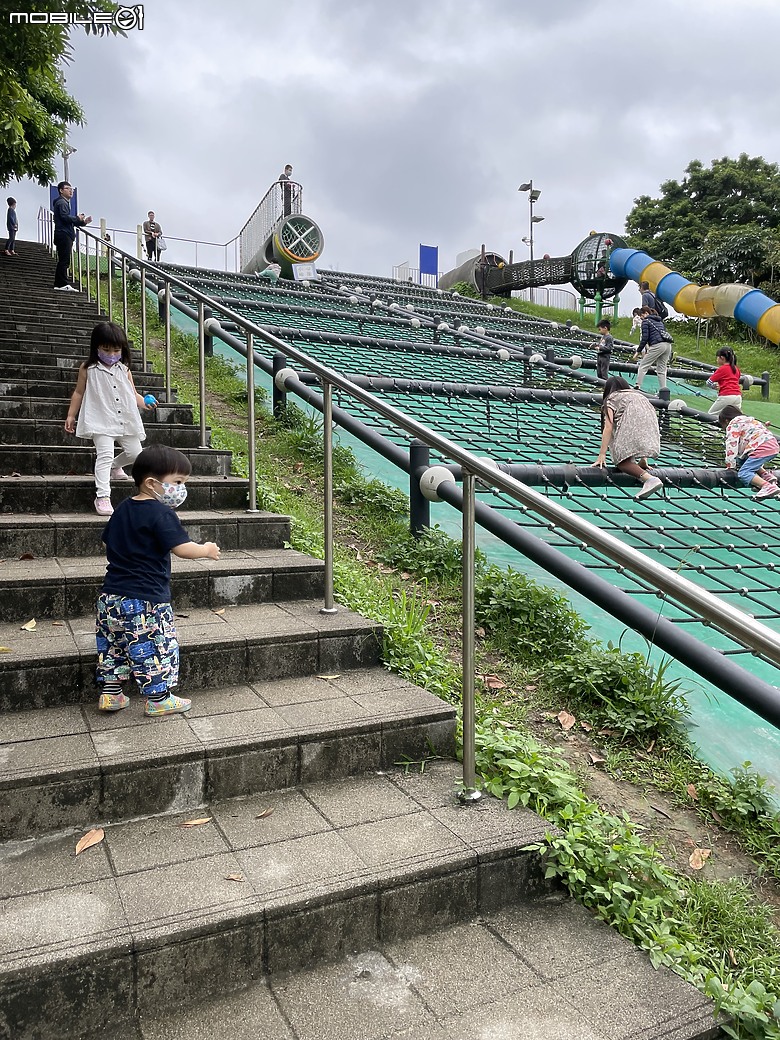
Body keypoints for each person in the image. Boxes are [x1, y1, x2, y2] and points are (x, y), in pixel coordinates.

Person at [95, 442, 221, 717]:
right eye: (177, 481)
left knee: (114, 645)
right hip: (145, 599)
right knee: (154, 647)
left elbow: (107, 543)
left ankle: (112, 694)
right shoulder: (162, 513)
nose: (181, 488)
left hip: (110, 597)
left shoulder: (124, 508)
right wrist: (206, 550)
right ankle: (159, 698)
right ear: (152, 483)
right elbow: (182, 548)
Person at [64, 321, 157, 516]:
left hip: (125, 419)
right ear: (96, 347)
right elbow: (79, 393)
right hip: (100, 420)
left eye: (116, 350)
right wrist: (71, 415)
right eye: (106, 349)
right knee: (104, 455)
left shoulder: (124, 369)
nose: (112, 354)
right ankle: (103, 496)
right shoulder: (88, 368)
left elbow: (133, 394)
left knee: (136, 454)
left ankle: (115, 466)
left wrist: (144, 402)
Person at [594, 376, 663, 499]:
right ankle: (643, 462)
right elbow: (642, 424)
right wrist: (643, 458)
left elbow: (608, 426)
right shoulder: (638, 395)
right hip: (652, 424)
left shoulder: (611, 398)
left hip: (631, 424)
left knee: (622, 463)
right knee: (636, 438)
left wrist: (602, 454)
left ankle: (650, 479)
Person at [718, 405, 779, 499]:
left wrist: (730, 466)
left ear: (726, 420)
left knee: (744, 473)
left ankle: (767, 487)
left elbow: (731, 445)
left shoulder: (732, 424)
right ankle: (767, 476)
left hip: (762, 447)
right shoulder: (749, 420)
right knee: (743, 460)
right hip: (772, 445)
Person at [52, 181, 92, 290]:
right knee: (64, 260)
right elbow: (65, 218)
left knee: (64, 259)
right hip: (64, 234)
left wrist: (83, 222)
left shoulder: (63, 203)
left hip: (64, 233)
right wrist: (77, 218)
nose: (71, 191)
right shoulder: (61, 203)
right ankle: (61, 284)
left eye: (72, 189)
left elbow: (69, 221)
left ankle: (60, 283)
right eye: (68, 188)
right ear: (61, 190)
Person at [634, 307, 672, 392]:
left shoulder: (646, 321)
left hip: (658, 345)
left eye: (641, 316)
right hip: (668, 345)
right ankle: (663, 390)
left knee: (643, 366)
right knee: (661, 369)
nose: (641, 318)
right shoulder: (659, 321)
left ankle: (637, 386)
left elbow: (645, 338)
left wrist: (638, 351)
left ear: (646, 313)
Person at [707, 347, 743, 416]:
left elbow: (709, 382)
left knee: (711, 416)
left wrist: (714, 386)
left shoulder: (722, 369)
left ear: (722, 358)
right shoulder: (736, 369)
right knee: (734, 417)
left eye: (717, 357)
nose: (716, 360)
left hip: (726, 396)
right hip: (737, 396)